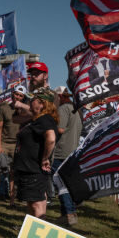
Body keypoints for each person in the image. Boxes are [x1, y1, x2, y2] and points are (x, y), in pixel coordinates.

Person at [13, 91, 59, 219]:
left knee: (36, 205)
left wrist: (45, 158)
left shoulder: (44, 119)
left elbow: (51, 138)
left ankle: (41, 234)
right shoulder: (39, 118)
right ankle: (34, 233)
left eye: (32, 99)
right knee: (34, 204)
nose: (29, 101)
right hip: (29, 168)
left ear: (41, 103)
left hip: (33, 169)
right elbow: (15, 119)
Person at [53, 85, 83, 226]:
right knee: (65, 183)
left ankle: (70, 213)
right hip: (72, 151)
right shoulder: (75, 110)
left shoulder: (63, 109)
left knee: (60, 183)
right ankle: (65, 214)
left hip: (61, 151)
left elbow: (60, 129)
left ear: (59, 96)